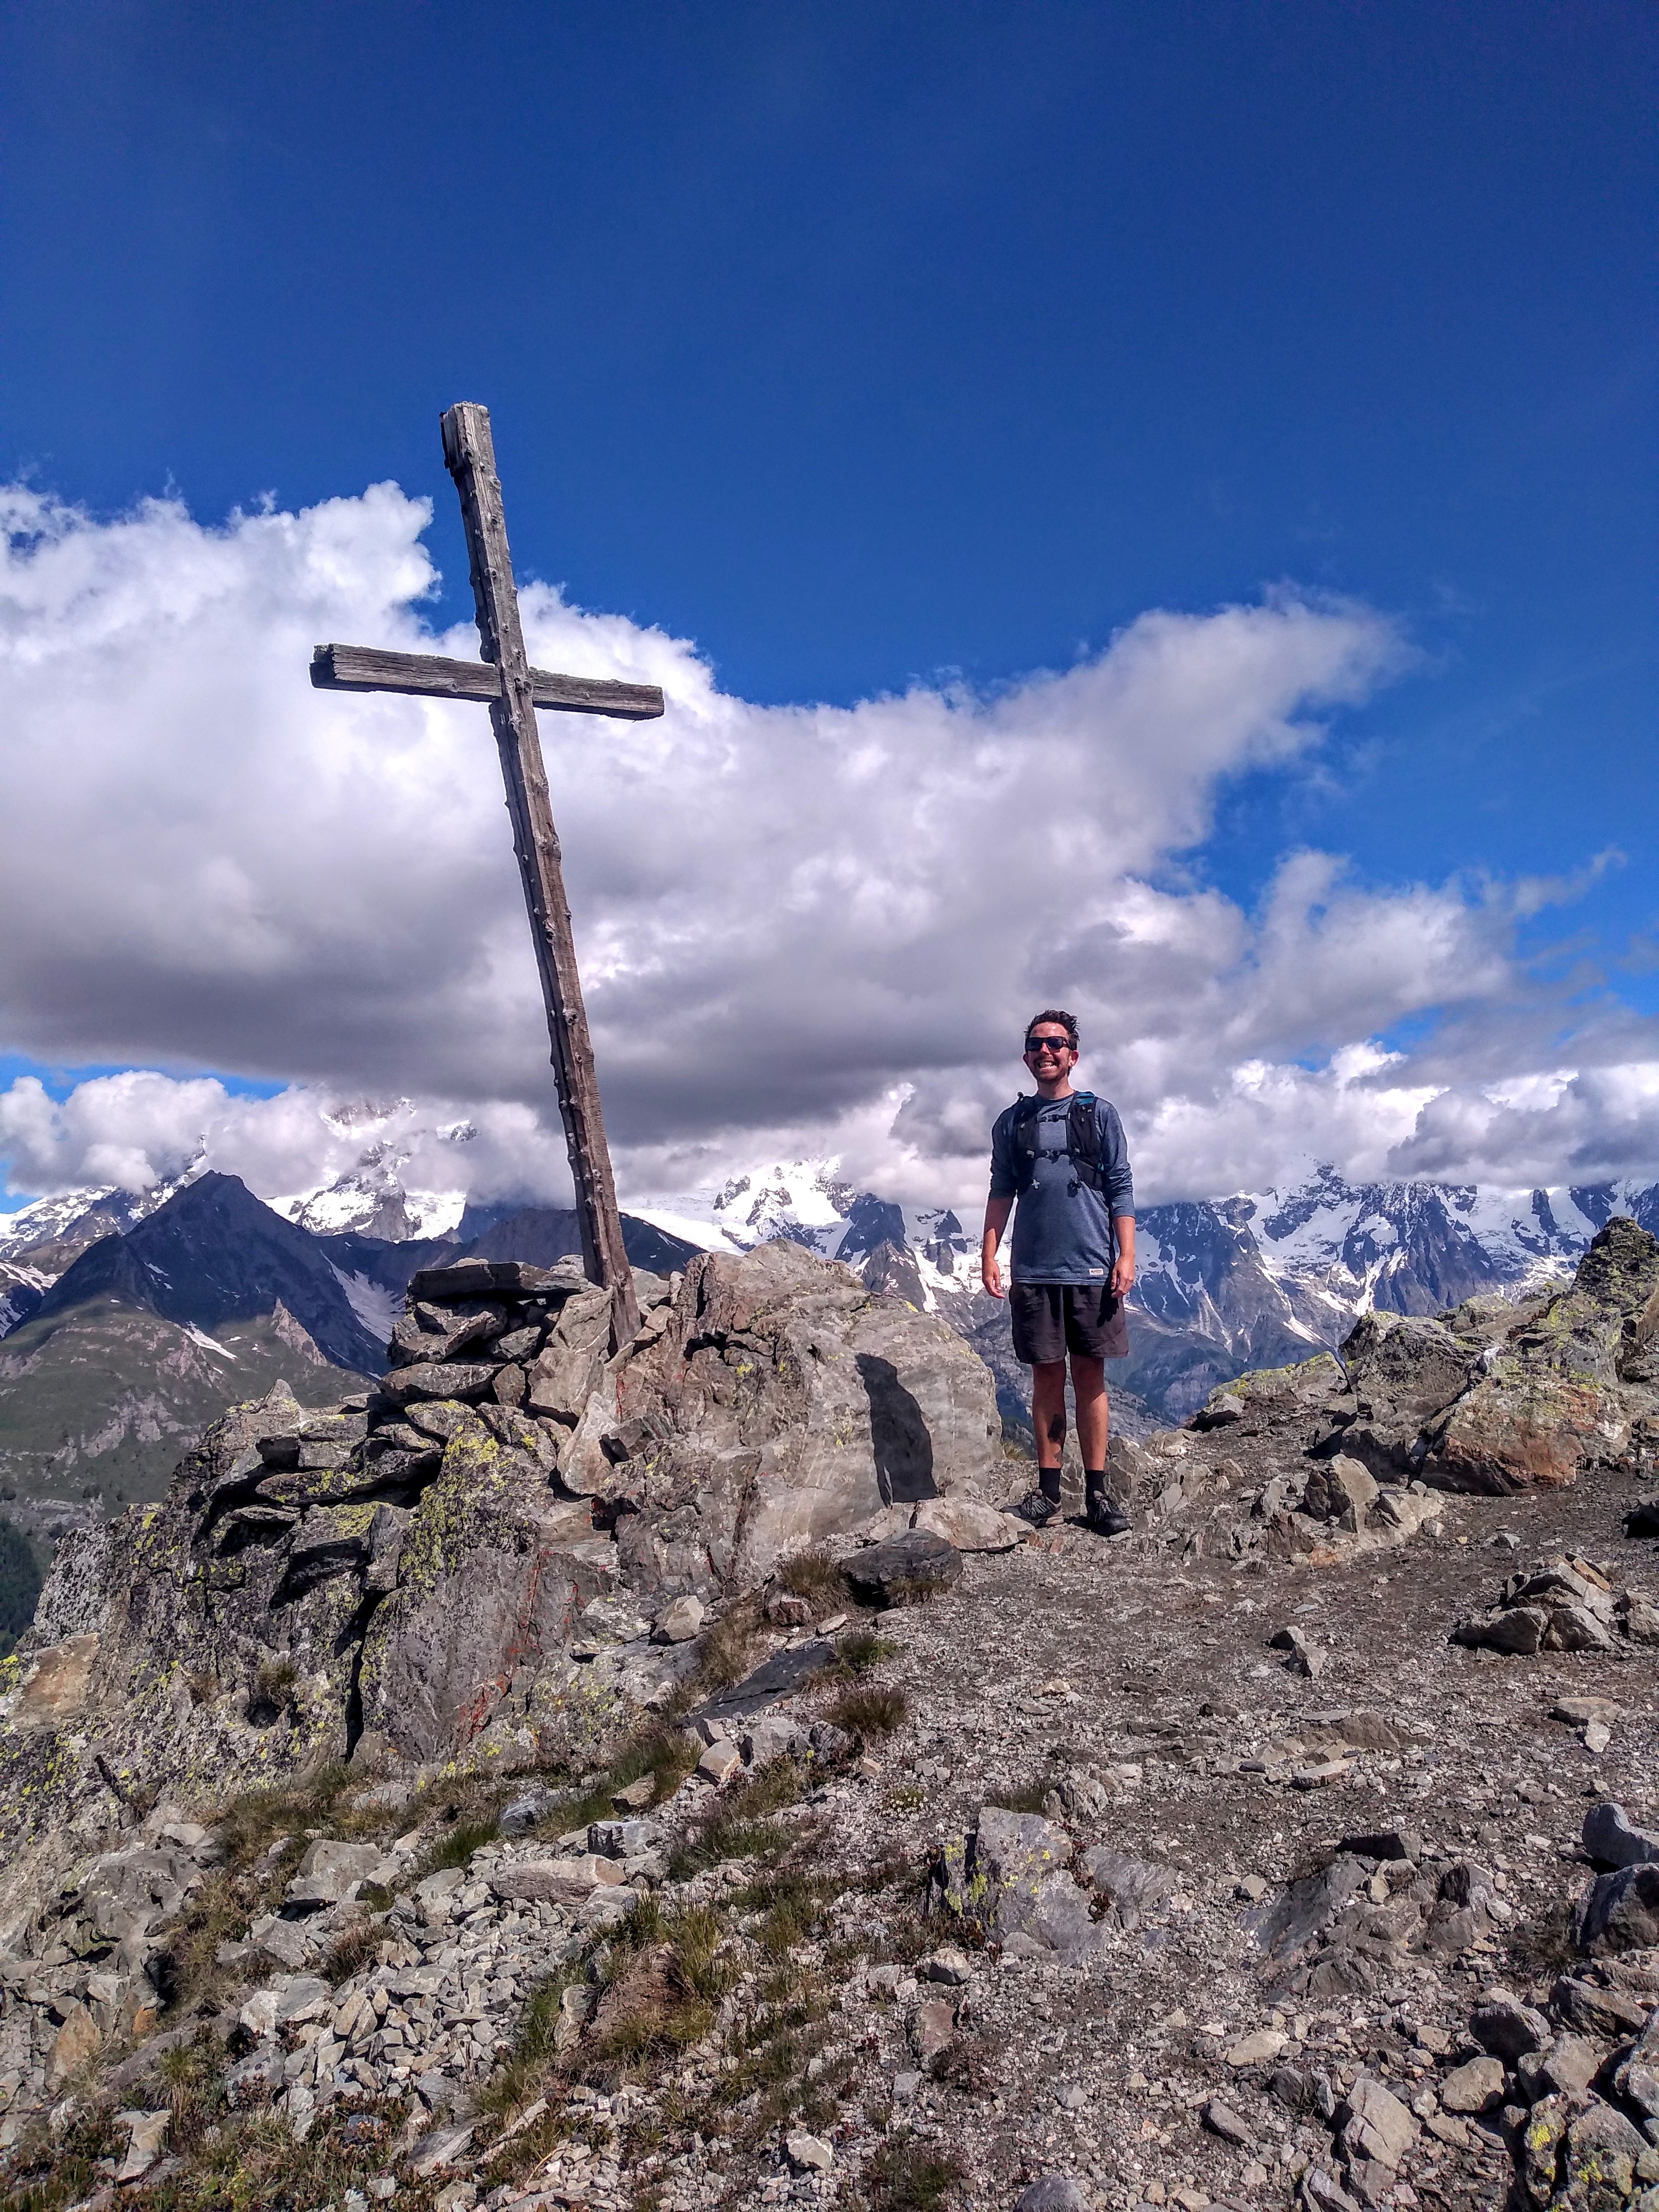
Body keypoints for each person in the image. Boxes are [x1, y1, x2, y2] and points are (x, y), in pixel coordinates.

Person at [982, 1009, 1136, 1535]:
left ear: (1073, 1054)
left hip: (1093, 1267)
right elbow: (1002, 1188)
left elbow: (1120, 1186)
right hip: (1034, 1270)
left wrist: (1126, 1255)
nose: (1045, 1050)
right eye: (1036, 1044)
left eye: (1056, 1043)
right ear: (1026, 1056)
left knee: (1090, 1377)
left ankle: (1097, 1494)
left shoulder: (1100, 1115)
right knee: (1046, 1376)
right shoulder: (1011, 1123)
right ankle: (1048, 1493)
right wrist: (989, 1254)